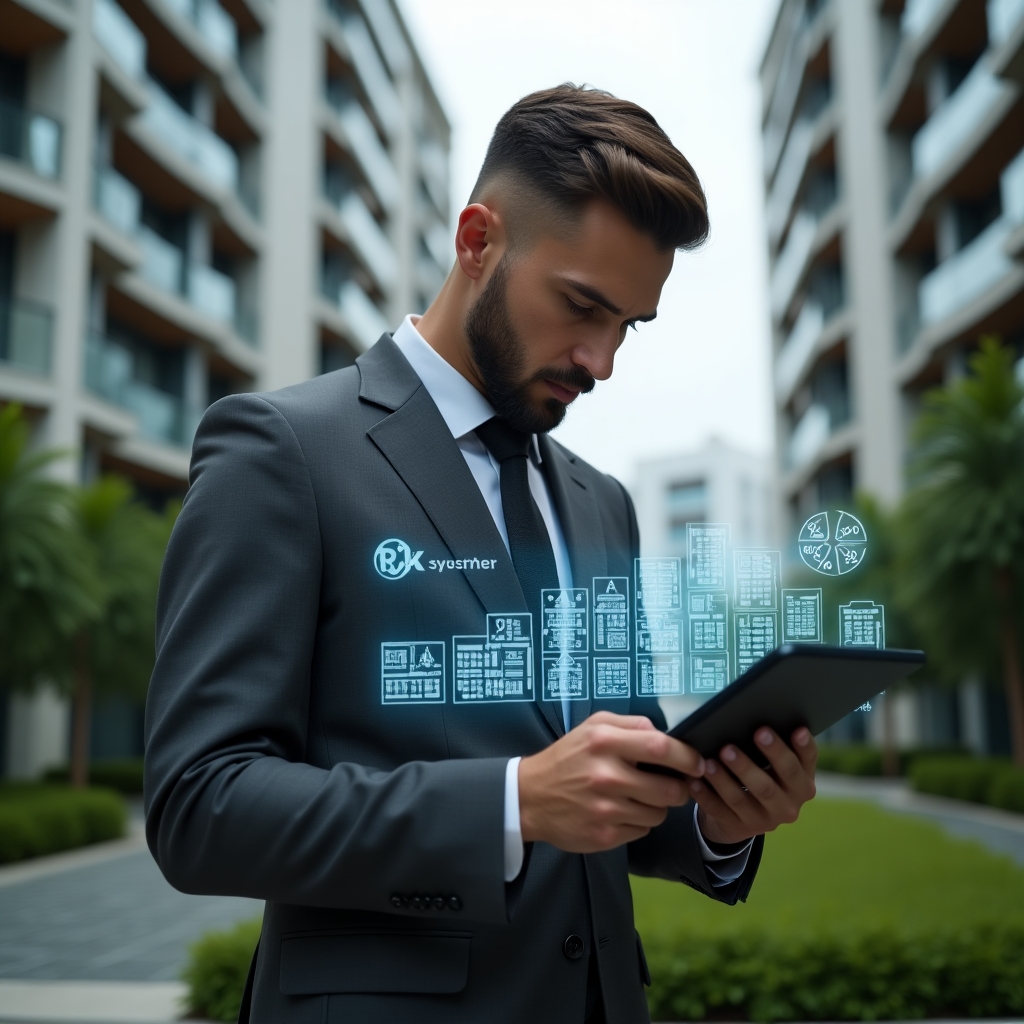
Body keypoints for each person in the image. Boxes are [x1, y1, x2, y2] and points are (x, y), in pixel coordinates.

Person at [145, 85, 818, 1024]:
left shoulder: (602, 505)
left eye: (628, 323)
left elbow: (605, 786)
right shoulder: (281, 452)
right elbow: (198, 803)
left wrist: (713, 818)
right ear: (476, 241)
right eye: (583, 304)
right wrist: (508, 804)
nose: (602, 361)